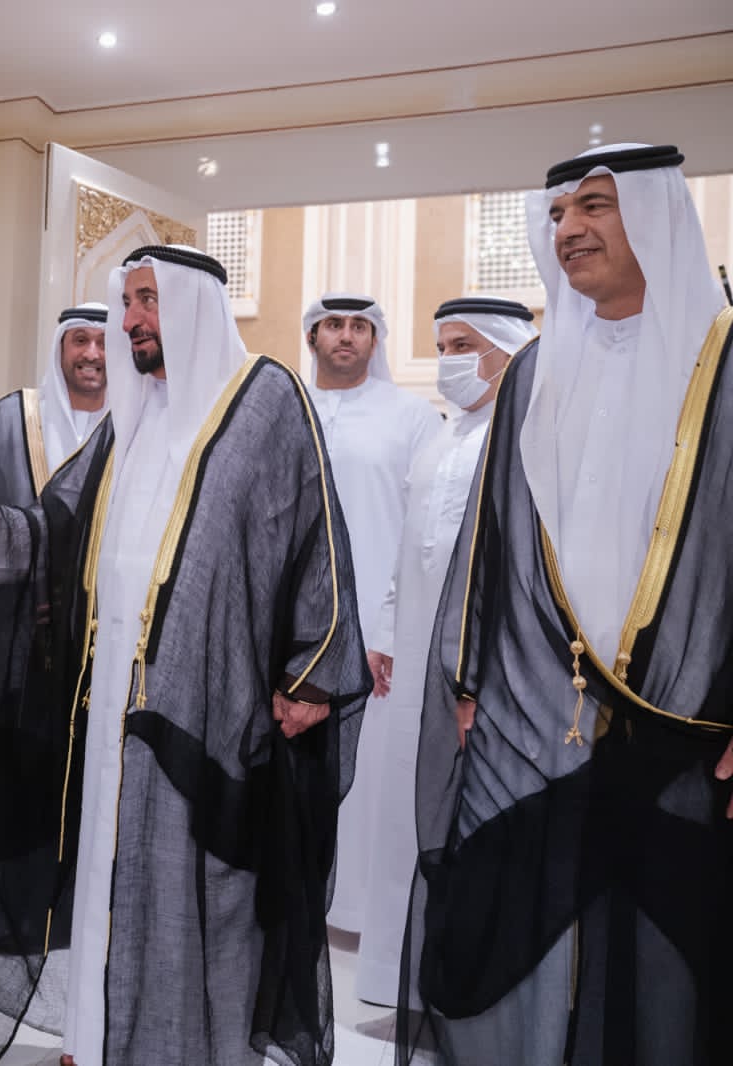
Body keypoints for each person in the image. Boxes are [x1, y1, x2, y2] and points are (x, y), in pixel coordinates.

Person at [0, 244, 370, 1066]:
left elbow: (316, 535)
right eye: (128, 302)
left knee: (201, 886)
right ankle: (98, 1040)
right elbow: (59, 522)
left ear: (193, 304)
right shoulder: (133, 416)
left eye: (149, 300)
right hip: (112, 700)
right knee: (108, 873)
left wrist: (314, 670)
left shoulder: (265, 398)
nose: (133, 321)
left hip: (213, 703)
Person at [402, 143, 733, 1066]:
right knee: (519, 934)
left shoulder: (722, 362)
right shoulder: (535, 372)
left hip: (683, 724)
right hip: (531, 716)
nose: (570, 229)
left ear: (657, 214)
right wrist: (468, 678)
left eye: (595, 206)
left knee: (658, 961)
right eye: (557, 214)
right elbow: (491, 539)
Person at [353, 296, 537, 1008]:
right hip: (415, 663)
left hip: (482, 672)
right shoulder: (441, 436)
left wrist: (481, 678)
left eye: (463, 346)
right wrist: (386, 633)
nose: (448, 361)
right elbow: (410, 548)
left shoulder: (526, 435)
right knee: (407, 808)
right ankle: (395, 980)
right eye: (441, 346)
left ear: (504, 349)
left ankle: (460, 993)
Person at [302, 292, 439, 932]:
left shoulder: (412, 417)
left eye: (360, 326)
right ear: (313, 336)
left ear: (375, 340)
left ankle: (358, 913)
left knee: (371, 773)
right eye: (333, 325)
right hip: (297, 627)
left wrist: (388, 627)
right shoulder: (291, 409)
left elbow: (424, 528)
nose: (346, 336)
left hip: (376, 633)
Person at [0, 303, 110, 507]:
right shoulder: (11, 417)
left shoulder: (128, 428)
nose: (91, 354)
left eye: (104, 344)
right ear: (60, 348)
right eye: (80, 340)